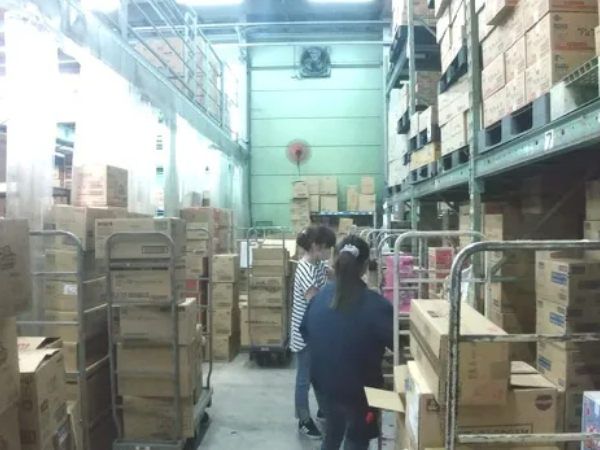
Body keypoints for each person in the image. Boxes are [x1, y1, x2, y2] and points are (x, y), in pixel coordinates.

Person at [300, 235, 393, 450]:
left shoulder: (319, 298)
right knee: (356, 439)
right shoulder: (376, 305)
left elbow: (306, 332)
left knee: (332, 433)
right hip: (360, 391)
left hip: (324, 385)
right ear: (364, 267)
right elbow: (397, 344)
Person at [291, 225, 337, 439]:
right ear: (317, 247)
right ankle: (303, 419)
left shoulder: (318, 264)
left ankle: (323, 410)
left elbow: (329, 278)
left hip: (316, 330)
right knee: (305, 378)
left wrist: (335, 275)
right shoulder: (305, 269)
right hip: (305, 333)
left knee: (319, 373)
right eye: (328, 248)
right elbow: (316, 303)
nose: (330, 253)